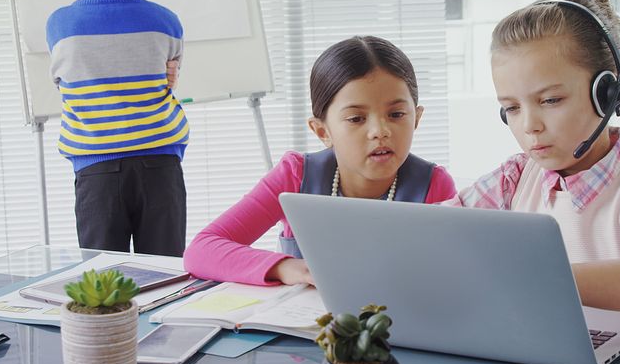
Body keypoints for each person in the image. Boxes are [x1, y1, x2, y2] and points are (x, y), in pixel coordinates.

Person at [446, 0, 620, 312]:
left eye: (550, 100)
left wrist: (532, 279)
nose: (529, 125)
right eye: (511, 108)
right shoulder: (513, 180)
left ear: (607, 94)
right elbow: (433, 234)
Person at [183, 36, 457, 285]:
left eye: (396, 114)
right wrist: (288, 268)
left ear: (417, 118)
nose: (380, 131)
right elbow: (202, 250)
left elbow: (452, 276)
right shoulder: (294, 176)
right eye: (356, 119)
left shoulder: (434, 185)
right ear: (322, 131)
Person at [46, 0, 188, 256]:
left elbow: (65, 83)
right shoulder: (166, 21)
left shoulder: (61, 25)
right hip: (161, 166)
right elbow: (168, 79)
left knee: (102, 281)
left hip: (97, 171)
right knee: (166, 274)